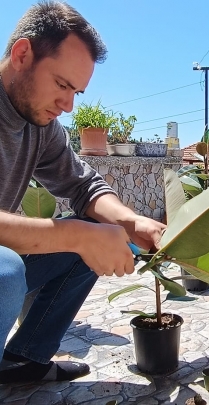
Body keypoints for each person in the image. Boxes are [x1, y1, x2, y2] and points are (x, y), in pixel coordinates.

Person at [0, 1, 165, 383]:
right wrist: (78, 234)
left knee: (87, 238)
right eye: (61, 84)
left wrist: (130, 221)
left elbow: (82, 185)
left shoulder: (38, 125)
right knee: (6, 272)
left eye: (77, 92)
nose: (68, 105)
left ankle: (27, 361)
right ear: (23, 54)